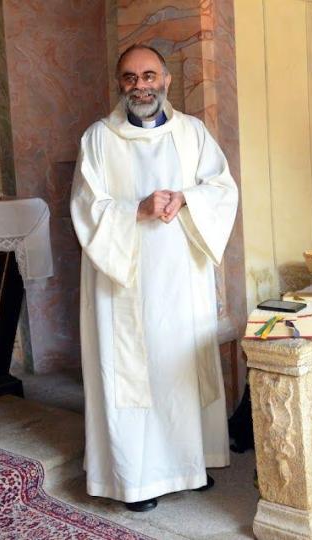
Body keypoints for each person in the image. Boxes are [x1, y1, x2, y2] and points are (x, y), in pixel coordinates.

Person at [71, 44, 238, 512]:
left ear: (166, 80)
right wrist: (136, 210)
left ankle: (189, 464)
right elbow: (86, 206)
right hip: (124, 281)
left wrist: (186, 199)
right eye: (130, 77)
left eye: (149, 76)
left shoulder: (192, 133)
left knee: (179, 368)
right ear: (120, 84)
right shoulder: (98, 139)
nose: (140, 85)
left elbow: (221, 188)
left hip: (182, 279)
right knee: (132, 373)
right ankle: (137, 480)